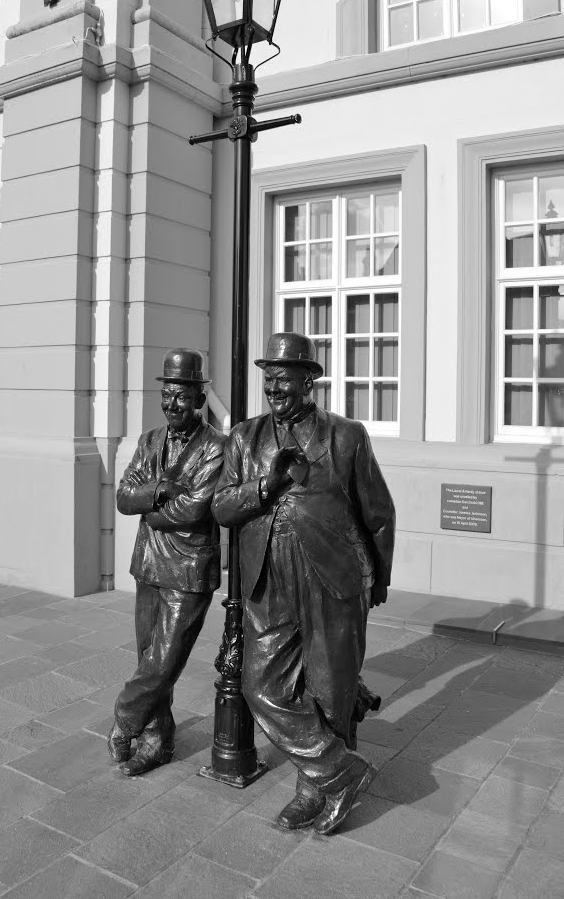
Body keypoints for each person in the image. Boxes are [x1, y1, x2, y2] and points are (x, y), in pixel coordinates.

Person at [212, 332, 395, 834]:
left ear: (309, 380)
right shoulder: (244, 438)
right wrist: (265, 485)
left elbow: (378, 513)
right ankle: (341, 771)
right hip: (269, 578)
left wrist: (379, 576)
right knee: (261, 685)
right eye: (268, 378)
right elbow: (223, 508)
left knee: (331, 688)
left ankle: (314, 790)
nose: (274, 387)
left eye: (285, 378)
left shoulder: (345, 436)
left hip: (333, 576)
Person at [107, 348, 225, 776]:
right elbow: (123, 498)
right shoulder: (149, 440)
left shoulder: (217, 447)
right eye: (168, 395)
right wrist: (160, 487)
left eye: (181, 396)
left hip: (190, 569)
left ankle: (124, 717)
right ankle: (157, 739)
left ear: (199, 397)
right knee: (148, 658)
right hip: (149, 563)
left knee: (164, 661)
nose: (172, 404)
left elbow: (196, 509)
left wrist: (152, 510)